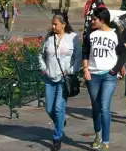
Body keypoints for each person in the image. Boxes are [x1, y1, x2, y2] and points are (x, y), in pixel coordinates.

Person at [83, 6, 126, 150]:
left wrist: (115, 70)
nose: (92, 21)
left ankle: (106, 142)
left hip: (108, 75)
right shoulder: (91, 35)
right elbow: (85, 52)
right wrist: (85, 69)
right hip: (93, 75)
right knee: (96, 107)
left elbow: (123, 53)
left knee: (104, 107)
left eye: (94, 19)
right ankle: (98, 134)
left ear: (101, 20)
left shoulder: (115, 34)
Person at [39, 13, 81, 150]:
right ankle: (61, 121)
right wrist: (43, 68)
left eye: (55, 24)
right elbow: (40, 55)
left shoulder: (73, 38)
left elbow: (78, 58)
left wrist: (70, 70)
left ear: (63, 24)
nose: (53, 26)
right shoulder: (49, 39)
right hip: (49, 78)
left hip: (64, 79)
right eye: (52, 24)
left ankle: (57, 136)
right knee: (49, 109)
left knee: (58, 107)